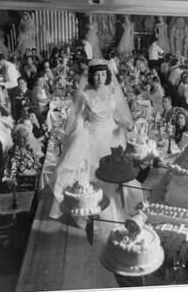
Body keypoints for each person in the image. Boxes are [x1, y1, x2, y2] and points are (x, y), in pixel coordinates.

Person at [52, 59, 133, 204]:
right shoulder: (85, 94)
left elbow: (118, 114)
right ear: (91, 76)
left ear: (107, 75)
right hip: (93, 134)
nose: (100, 78)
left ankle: (115, 201)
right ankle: (91, 204)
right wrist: (79, 134)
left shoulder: (113, 91)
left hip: (113, 134)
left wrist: (125, 124)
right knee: (91, 171)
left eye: (102, 74)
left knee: (114, 170)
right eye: (96, 75)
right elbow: (79, 117)